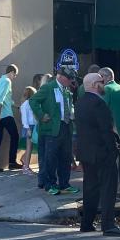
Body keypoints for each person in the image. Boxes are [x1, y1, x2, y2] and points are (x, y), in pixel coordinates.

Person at [76, 72, 120, 236]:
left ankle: (86, 223)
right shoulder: (98, 104)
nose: (104, 84)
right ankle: (108, 225)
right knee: (108, 189)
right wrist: (114, 150)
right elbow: (106, 131)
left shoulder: (80, 102)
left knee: (90, 188)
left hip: (86, 153)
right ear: (94, 85)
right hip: (102, 153)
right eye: (101, 81)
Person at [28, 67, 80, 196]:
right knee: (50, 158)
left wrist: (72, 112)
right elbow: (33, 101)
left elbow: (67, 105)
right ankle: (50, 184)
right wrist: (41, 115)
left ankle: (65, 184)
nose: (71, 81)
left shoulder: (66, 89)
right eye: (69, 78)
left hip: (66, 127)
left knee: (66, 157)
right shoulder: (48, 88)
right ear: (60, 77)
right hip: (51, 129)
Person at [100, 68, 120, 200]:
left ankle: (109, 189)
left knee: (109, 162)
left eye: (100, 77)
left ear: (105, 77)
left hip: (109, 130)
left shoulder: (106, 90)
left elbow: (102, 110)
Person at [0, 64, 20, 172]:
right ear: (11, 72)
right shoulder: (7, 81)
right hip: (5, 115)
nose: (15, 77)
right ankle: (12, 162)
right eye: (15, 75)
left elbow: (5, 98)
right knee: (15, 136)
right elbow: (0, 99)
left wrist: (15, 105)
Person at [19, 85, 38, 176]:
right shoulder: (26, 104)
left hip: (32, 126)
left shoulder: (29, 103)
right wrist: (28, 129)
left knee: (30, 147)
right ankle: (26, 168)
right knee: (29, 147)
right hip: (29, 127)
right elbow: (24, 118)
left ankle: (24, 162)